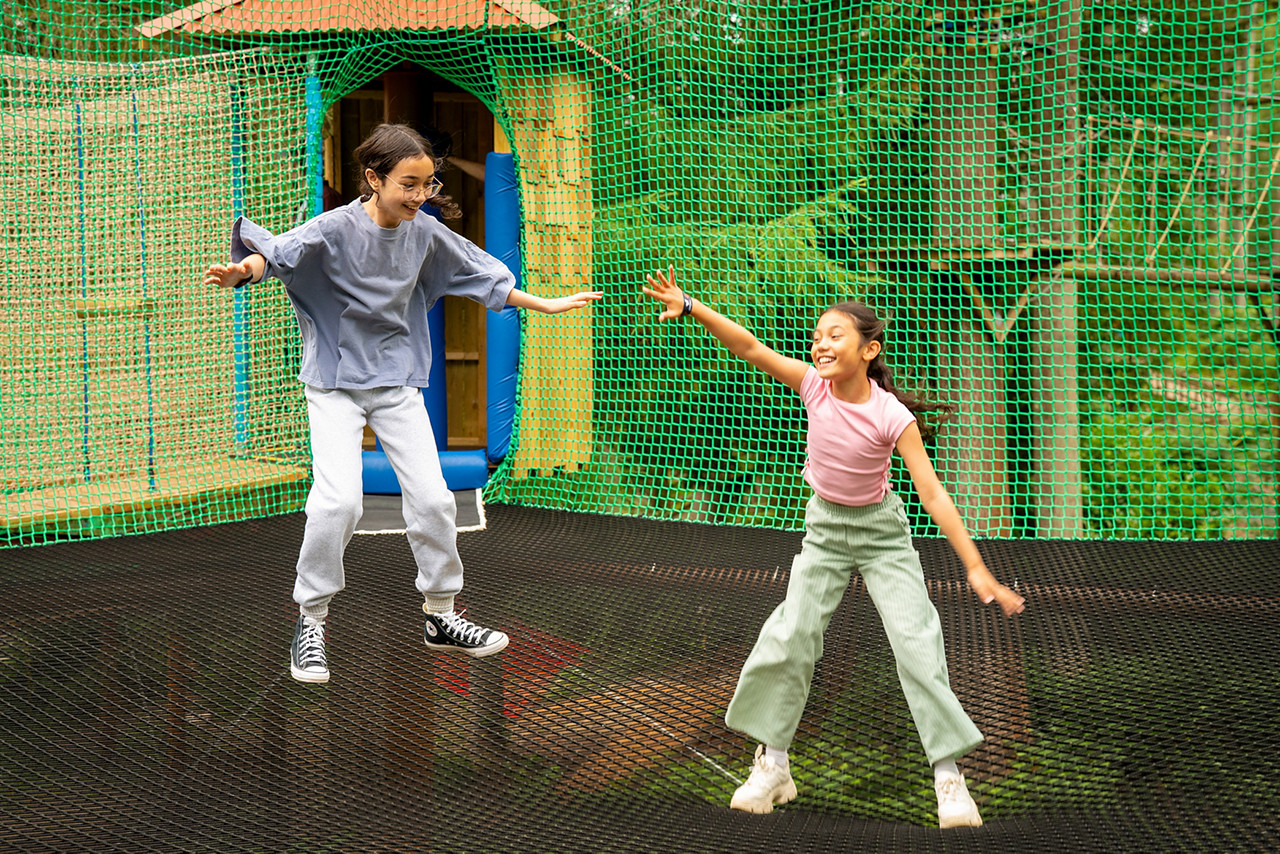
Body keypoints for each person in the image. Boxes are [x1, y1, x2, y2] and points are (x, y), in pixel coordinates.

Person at [205, 123, 602, 685]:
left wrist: (545, 303)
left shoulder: (425, 233)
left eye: (428, 183)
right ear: (374, 179)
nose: (420, 195)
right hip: (335, 385)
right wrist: (240, 273)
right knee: (338, 504)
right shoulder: (334, 228)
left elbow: (478, 273)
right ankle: (311, 620)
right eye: (408, 184)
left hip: (396, 385)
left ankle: (441, 614)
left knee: (436, 502)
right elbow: (275, 256)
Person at [641, 266, 1025, 828]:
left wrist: (975, 566)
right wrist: (692, 306)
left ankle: (949, 778)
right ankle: (774, 765)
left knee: (917, 643)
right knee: (791, 634)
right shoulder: (812, 386)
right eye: (818, 336)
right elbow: (750, 347)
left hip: (881, 535)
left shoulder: (892, 416)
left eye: (835, 335)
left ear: (869, 350)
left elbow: (933, 494)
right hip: (824, 530)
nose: (821, 344)